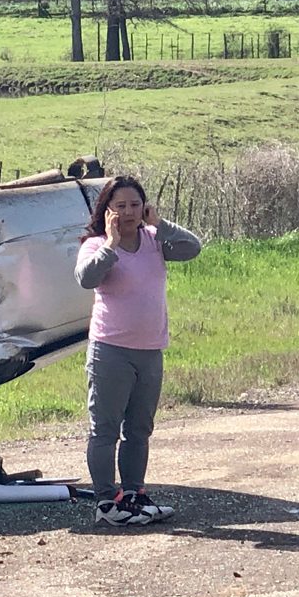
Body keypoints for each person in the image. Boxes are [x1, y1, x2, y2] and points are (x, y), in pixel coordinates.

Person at [75, 176, 201, 526]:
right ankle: (106, 502)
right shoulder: (96, 245)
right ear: (107, 211)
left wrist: (160, 224)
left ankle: (133, 494)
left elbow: (193, 248)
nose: (128, 212)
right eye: (120, 206)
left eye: (135, 205)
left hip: (150, 350)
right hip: (110, 351)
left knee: (139, 429)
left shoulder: (155, 241)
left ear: (144, 207)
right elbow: (86, 278)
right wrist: (111, 244)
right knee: (105, 429)